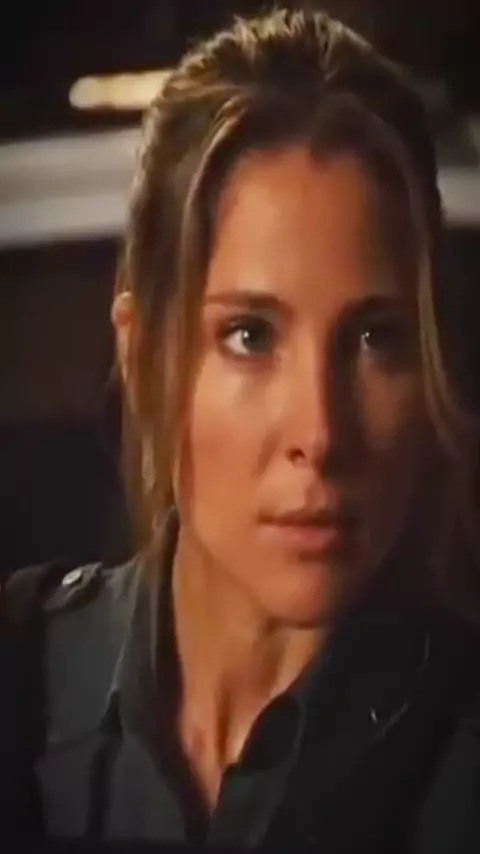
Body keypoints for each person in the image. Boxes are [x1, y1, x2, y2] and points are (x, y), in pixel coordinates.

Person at [2, 7, 480, 850]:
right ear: (143, 356)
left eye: (375, 337)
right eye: (249, 336)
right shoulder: (20, 681)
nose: (321, 433)